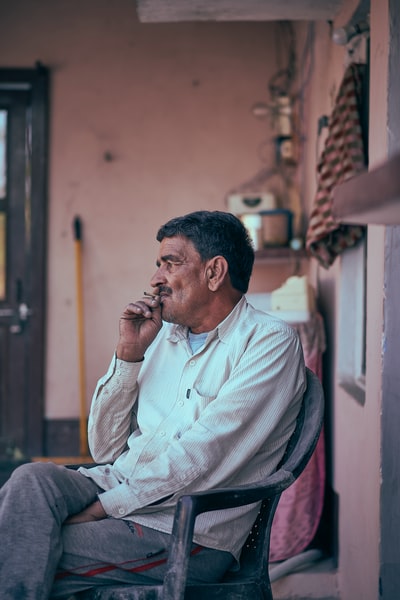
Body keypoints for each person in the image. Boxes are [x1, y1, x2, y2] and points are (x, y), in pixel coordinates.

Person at [0, 210, 306, 599]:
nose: (155, 279)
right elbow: (106, 449)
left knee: (25, 545)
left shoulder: (268, 343)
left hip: (186, 531)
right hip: (120, 487)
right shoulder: (163, 337)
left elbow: (201, 455)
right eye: (157, 264)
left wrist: (103, 509)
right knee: (30, 482)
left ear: (214, 273)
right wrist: (128, 355)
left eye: (170, 264)